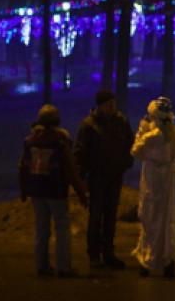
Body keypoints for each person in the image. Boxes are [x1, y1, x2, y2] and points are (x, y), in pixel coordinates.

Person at [19, 104, 88, 277]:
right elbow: (70, 169)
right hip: (56, 190)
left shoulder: (30, 141)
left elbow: (23, 167)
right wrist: (81, 192)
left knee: (41, 229)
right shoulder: (60, 142)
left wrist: (24, 190)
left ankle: (41, 266)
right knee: (62, 228)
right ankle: (63, 267)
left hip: (36, 191)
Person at [132, 97, 175, 278]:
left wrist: (141, 132)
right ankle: (168, 261)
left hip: (152, 180)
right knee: (167, 220)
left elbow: (136, 151)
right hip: (168, 180)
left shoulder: (152, 135)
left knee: (150, 219)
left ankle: (148, 259)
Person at [74, 90, 133, 269]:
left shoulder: (121, 121)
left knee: (110, 216)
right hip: (97, 177)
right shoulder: (89, 125)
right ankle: (94, 254)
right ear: (100, 106)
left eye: (113, 103)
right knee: (96, 216)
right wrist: (82, 177)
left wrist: (125, 163)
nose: (112, 107)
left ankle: (108, 253)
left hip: (114, 176)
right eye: (109, 104)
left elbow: (130, 144)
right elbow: (80, 153)